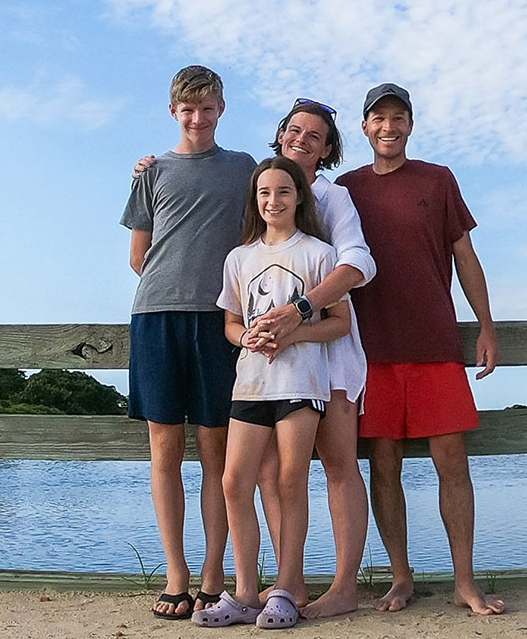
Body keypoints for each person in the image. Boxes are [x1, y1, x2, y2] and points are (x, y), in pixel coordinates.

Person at [137, 99, 375, 618]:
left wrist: (298, 316)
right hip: (258, 374)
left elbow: (359, 264)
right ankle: (270, 586)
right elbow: (203, 182)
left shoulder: (333, 202)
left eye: (315, 135)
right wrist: (153, 169)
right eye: (294, 130)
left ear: (328, 148)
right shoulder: (251, 188)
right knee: (257, 474)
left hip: (322, 362)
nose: (301, 140)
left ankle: (338, 586)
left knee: (332, 466)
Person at [335, 83, 505, 615]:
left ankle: (464, 581)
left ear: (410, 125)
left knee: (452, 461)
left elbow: (465, 256)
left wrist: (487, 326)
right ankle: (401, 578)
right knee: (383, 464)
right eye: (378, 118)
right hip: (370, 349)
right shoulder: (345, 189)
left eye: (398, 117)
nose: (388, 127)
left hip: (435, 343)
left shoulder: (438, 179)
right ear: (365, 127)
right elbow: (281, 192)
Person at [119, 65, 256, 620]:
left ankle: (213, 573)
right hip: (156, 318)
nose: (198, 118)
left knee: (216, 451)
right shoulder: (152, 172)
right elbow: (138, 256)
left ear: (222, 108)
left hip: (220, 322)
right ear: (173, 111)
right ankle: (176, 573)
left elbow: (266, 220)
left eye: (207, 107)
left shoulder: (244, 168)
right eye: (188, 109)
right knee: (164, 447)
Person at [194, 156, 351, 628]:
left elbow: (340, 323)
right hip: (251, 384)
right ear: (254, 200)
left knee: (289, 481)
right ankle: (244, 592)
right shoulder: (239, 258)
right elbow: (230, 322)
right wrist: (248, 337)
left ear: (299, 197)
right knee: (233, 481)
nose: (273, 201)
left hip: (301, 384)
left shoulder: (320, 254)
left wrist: (295, 333)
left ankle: (285, 589)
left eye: (283, 191)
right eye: (264, 192)